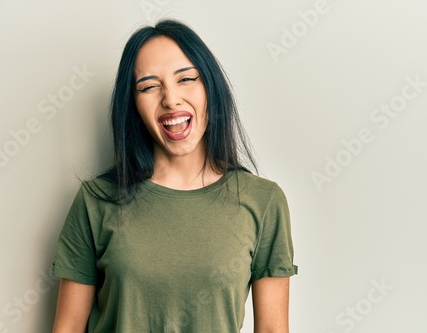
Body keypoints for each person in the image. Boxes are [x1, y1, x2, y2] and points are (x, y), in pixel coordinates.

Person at [51, 19, 298, 333]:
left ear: (211, 86)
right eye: (149, 86)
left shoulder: (263, 202)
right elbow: (67, 328)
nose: (170, 98)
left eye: (186, 79)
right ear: (133, 105)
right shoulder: (95, 201)